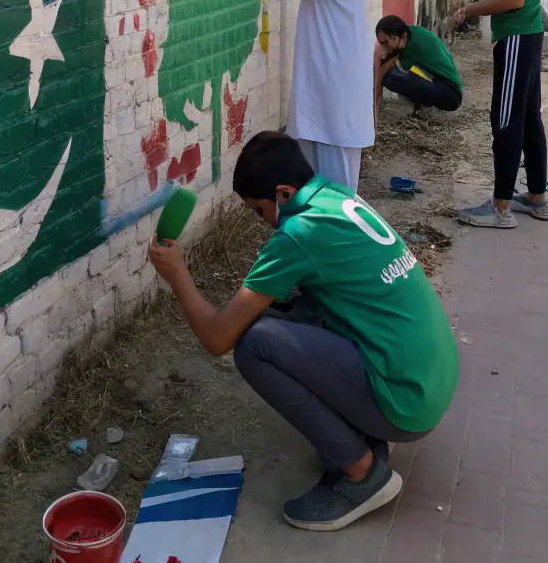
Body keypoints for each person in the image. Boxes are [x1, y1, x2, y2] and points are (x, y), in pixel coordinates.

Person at [147, 132, 459, 531]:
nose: (263, 224)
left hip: (407, 403)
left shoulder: (298, 233)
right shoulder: (334, 196)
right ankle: (365, 433)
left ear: (281, 193)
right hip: (430, 379)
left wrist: (177, 275)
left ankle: (362, 474)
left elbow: (217, 338)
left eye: (258, 212)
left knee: (255, 344)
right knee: (292, 309)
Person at [261, 0, 377, 193]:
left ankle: (342, 239)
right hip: (327, 73)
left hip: (335, 75)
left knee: (337, 184)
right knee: (317, 178)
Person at [453, 0, 548, 227]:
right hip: (528, 35)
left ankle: (500, 207)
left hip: (517, 38)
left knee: (506, 120)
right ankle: (537, 197)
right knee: (527, 119)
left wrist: (470, 9)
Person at [374, 15, 463, 115]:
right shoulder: (407, 35)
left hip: (451, 94)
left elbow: (381, 75)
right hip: (445, 87)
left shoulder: (413, 44)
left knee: (392, 78)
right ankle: (422, 107)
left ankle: (421, 109)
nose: (384, 47)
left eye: (385, 43)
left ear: (400, 37)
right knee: (397, 75)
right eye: (381, 44)